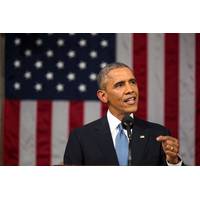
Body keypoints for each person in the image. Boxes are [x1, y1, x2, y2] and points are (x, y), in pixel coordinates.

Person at [63, 62, 183, 166]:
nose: (130, 90)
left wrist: (173, 162)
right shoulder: (81, 138)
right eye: (120, 85)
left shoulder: (158, 134)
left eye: (132, 82)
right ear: (103, 96)